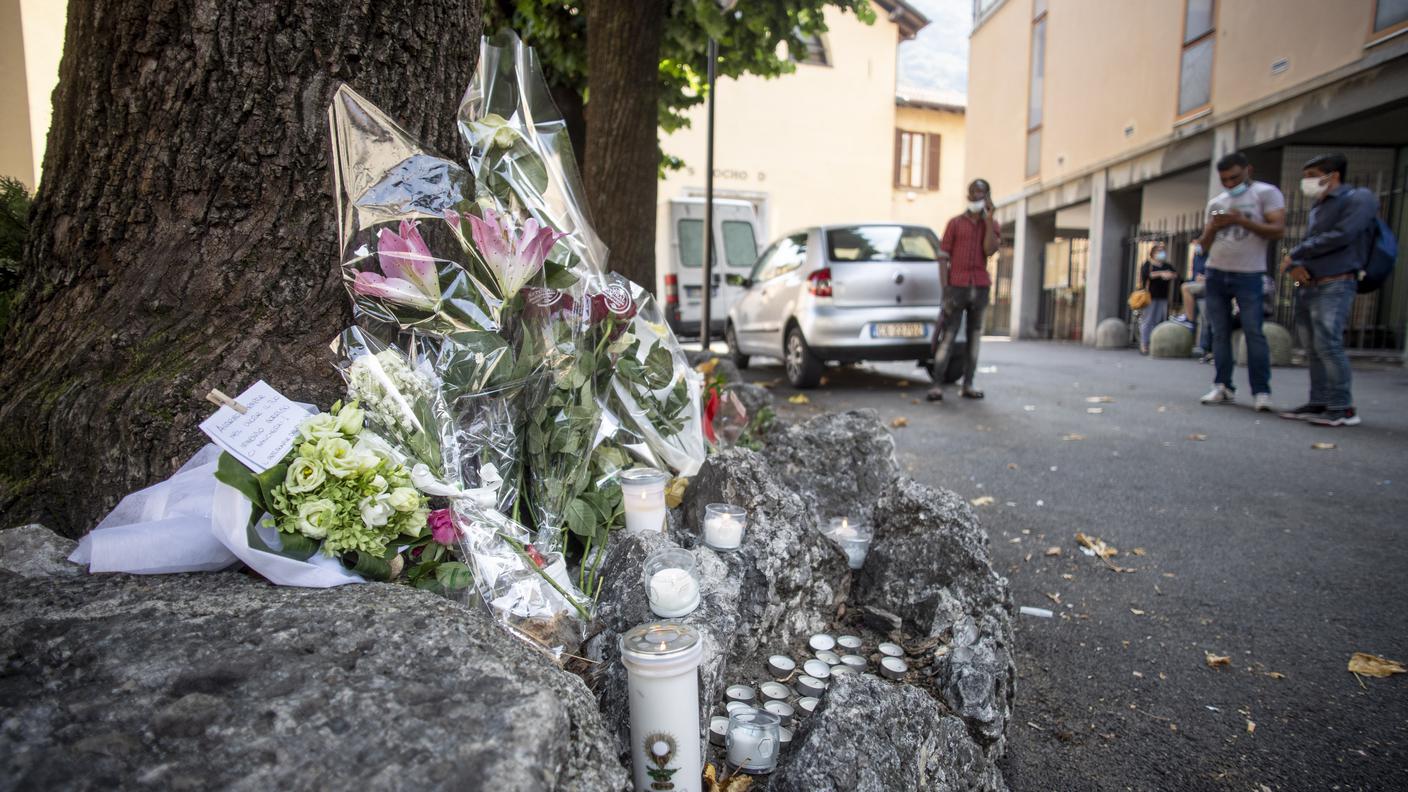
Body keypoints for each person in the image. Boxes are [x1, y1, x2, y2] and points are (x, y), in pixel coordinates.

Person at [1278, 153, 1377, 427]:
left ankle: (1342, 407)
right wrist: (1295, 264)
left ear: (1333, 175)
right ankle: (1320, 401)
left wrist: (1297, 252)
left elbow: (1344, 234)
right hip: (1311, 282)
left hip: (1337, 281)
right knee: (1313, 346)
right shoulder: (1318, 206)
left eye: (1312, 176)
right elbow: (1314, 241)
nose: (1306, 182)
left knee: (1328, 345)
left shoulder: (1359, 198)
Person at [1195, 152, 1285, 411]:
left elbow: (1278, 230)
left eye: (1235, 177)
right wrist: (1212, 228)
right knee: (1219, 332)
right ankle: (1222, 386)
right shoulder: (1217, 202)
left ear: (1248, 170)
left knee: (1253, 331)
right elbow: (1203, 246)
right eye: (1225, 180)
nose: (1231, 184)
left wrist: (1241, 220)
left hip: (1250, 273)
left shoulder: (1265, 194)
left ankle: (1261, 391)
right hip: (1216, 272)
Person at [927, 179, 1000, 402]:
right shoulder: (955, 224)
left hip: (979, 285)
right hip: (956, 287)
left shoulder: (992, 225)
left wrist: (988, 221)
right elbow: (943, 257)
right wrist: (945, 289)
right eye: (974, 192)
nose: (977, 197)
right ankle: (937, 384)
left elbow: (989, 250)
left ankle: (968, 384)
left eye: (982, 193)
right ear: (968, 195)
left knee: (974, 337)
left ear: (988, 196)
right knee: (948, 336)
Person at [1138, 241, 1177, 354]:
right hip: (1150, 297)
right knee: (1148, 320)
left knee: (1159, 320)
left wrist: (1168, 274)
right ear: (1153, 253)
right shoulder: (1148, 264)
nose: (1161, 253)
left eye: (1162, 251)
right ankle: (1144, 344)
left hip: (1163, 296)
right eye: (1158, 251)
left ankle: (1155, 343)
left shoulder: (1167, 265)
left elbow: (1175, 274)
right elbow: (1147, 275)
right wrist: (1161, 274)